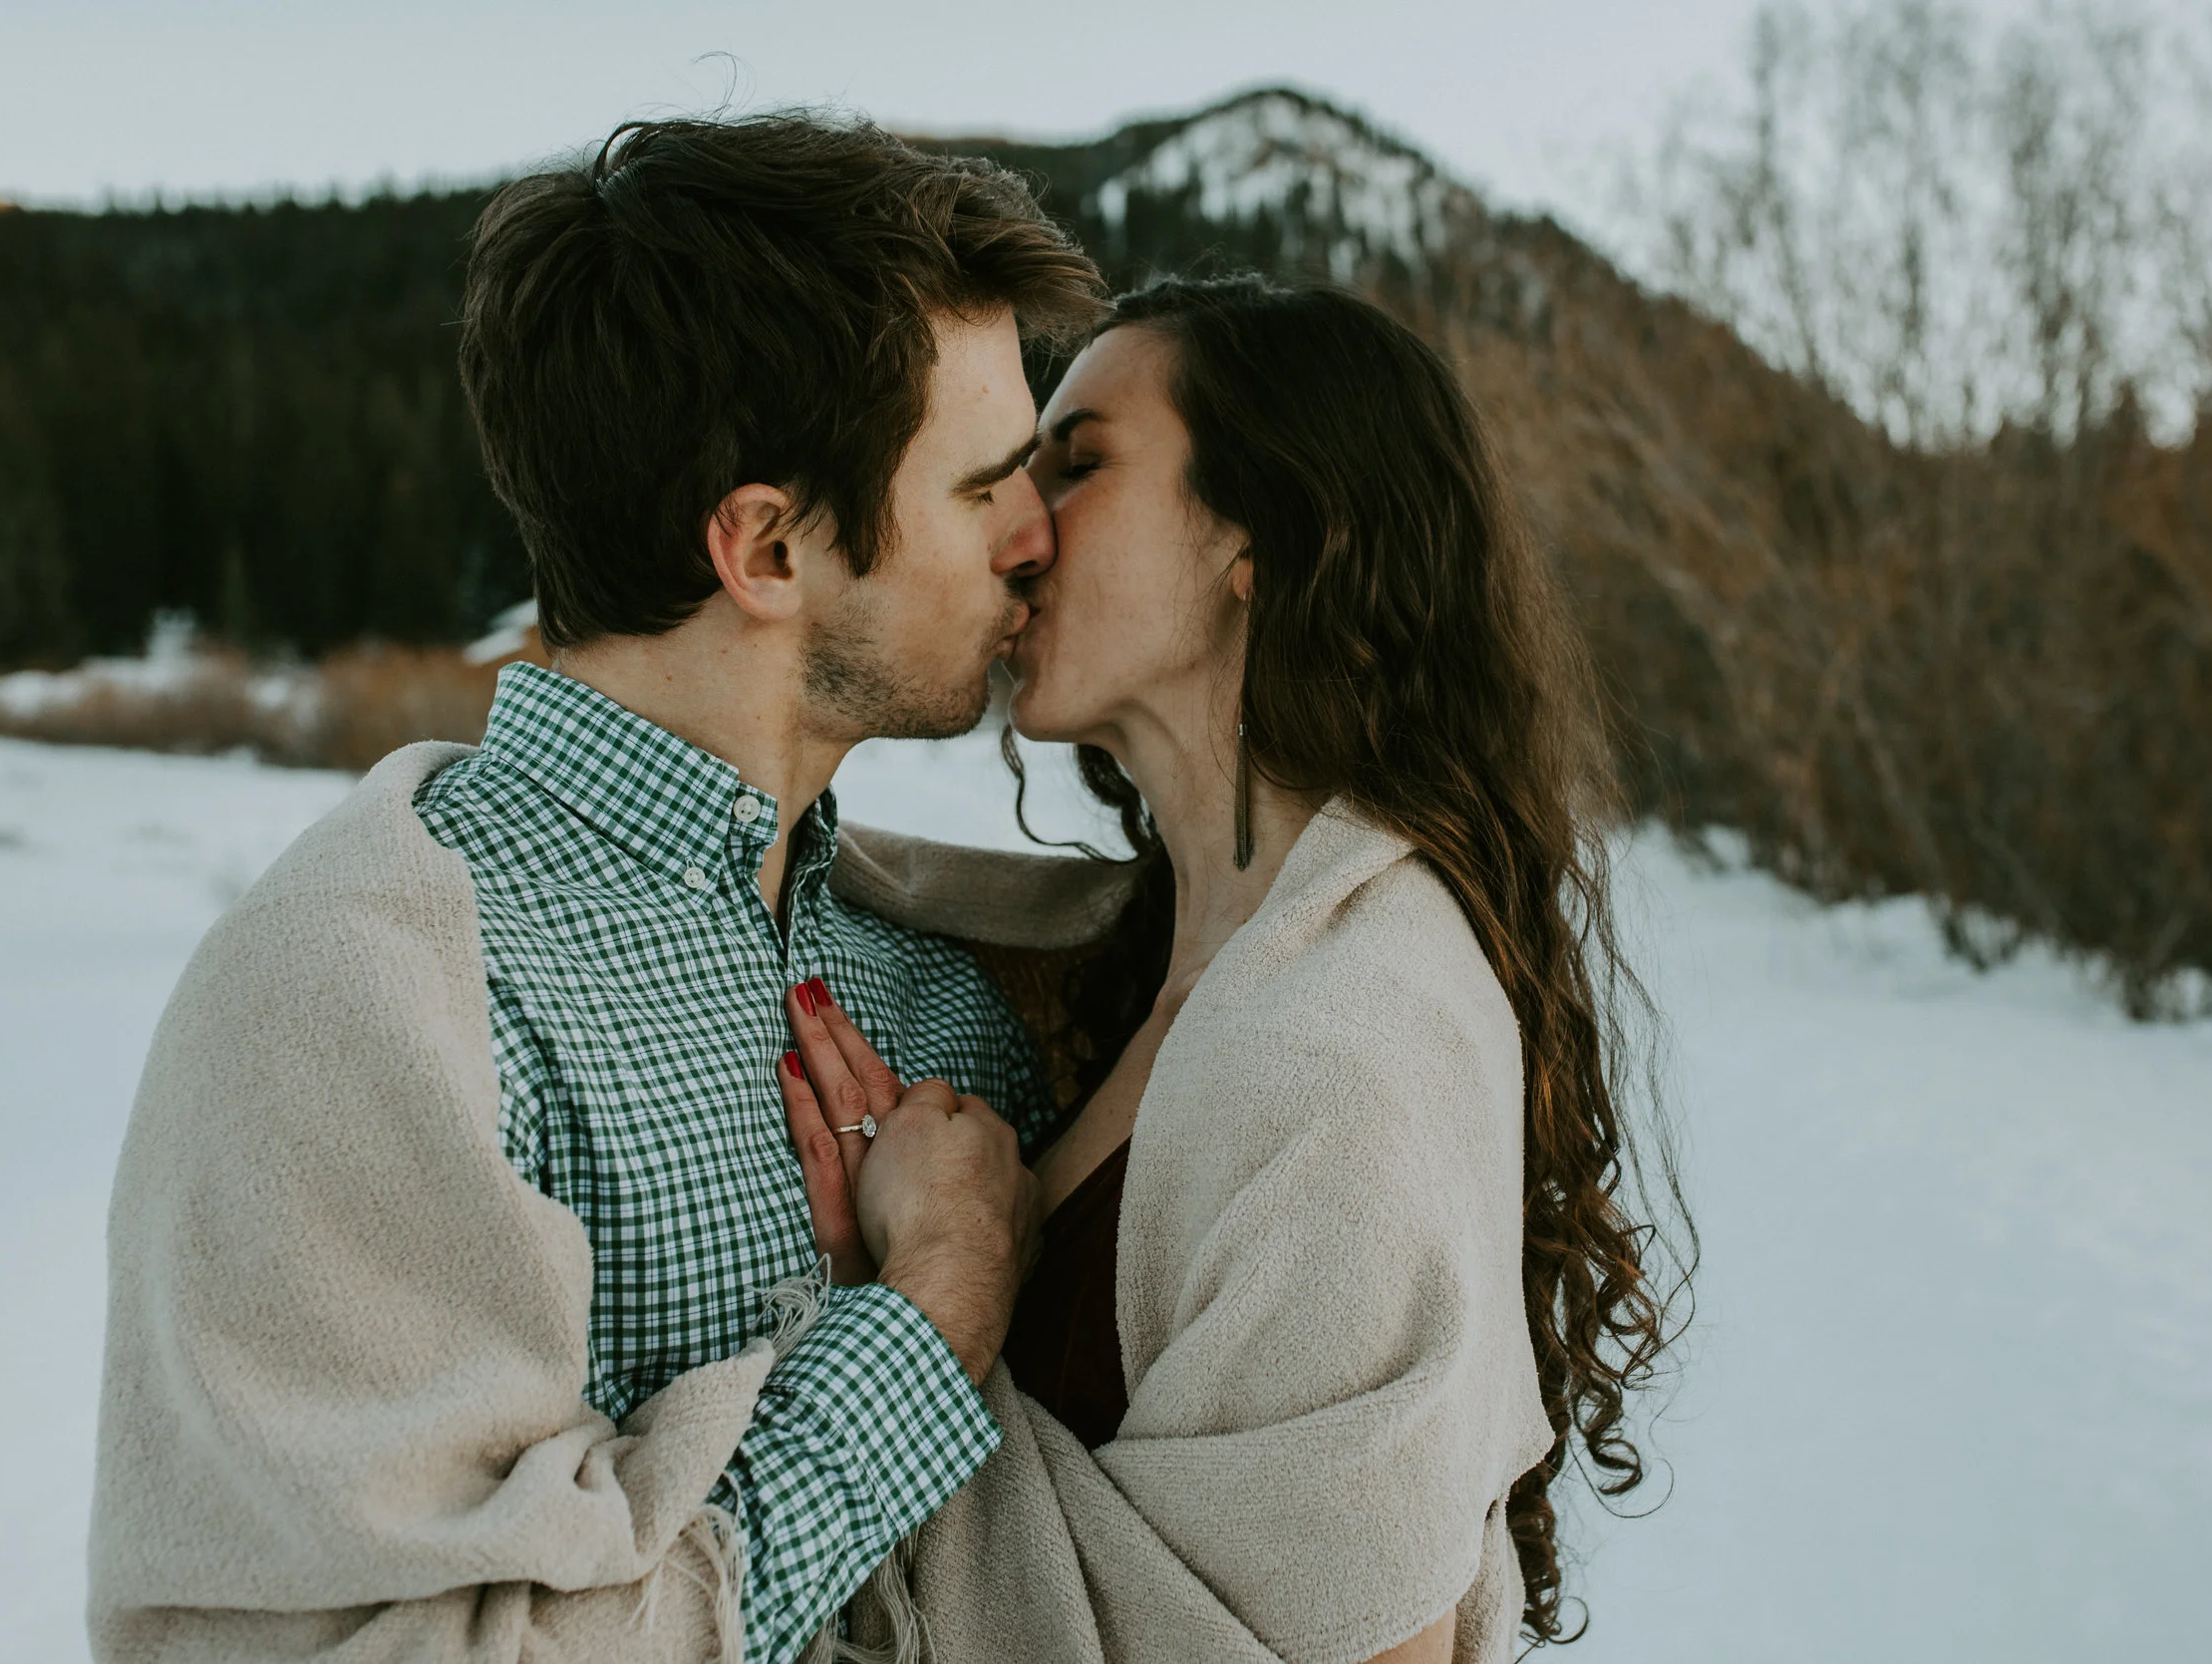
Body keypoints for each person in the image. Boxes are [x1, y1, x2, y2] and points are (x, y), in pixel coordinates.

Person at [86, 115, 1106, 1664]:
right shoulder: (368, 998)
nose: (1037, 536)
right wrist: (932, 1316)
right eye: (982, 489)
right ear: (768, 548)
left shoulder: (939, 981)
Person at [782, 276, 1689, 1661]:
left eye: (1080, 463)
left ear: (1264, 537)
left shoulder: (1348, 1047)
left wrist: (929, 1294)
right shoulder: (1172, 959)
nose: (1018, 526)